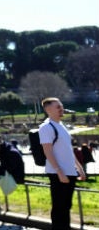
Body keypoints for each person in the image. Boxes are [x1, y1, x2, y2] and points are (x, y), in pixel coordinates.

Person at [39, 97, 84, 230]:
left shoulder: (61, 126)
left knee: (66, 207)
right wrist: (59, 171)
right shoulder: (46, 127)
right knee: (59, 208)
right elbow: (48, 151)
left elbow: (68, 150)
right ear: (48, 110)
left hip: (69, 172)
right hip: (58, 173)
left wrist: (79, 168)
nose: (61, 109)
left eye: (61, 106)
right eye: (57, 107)